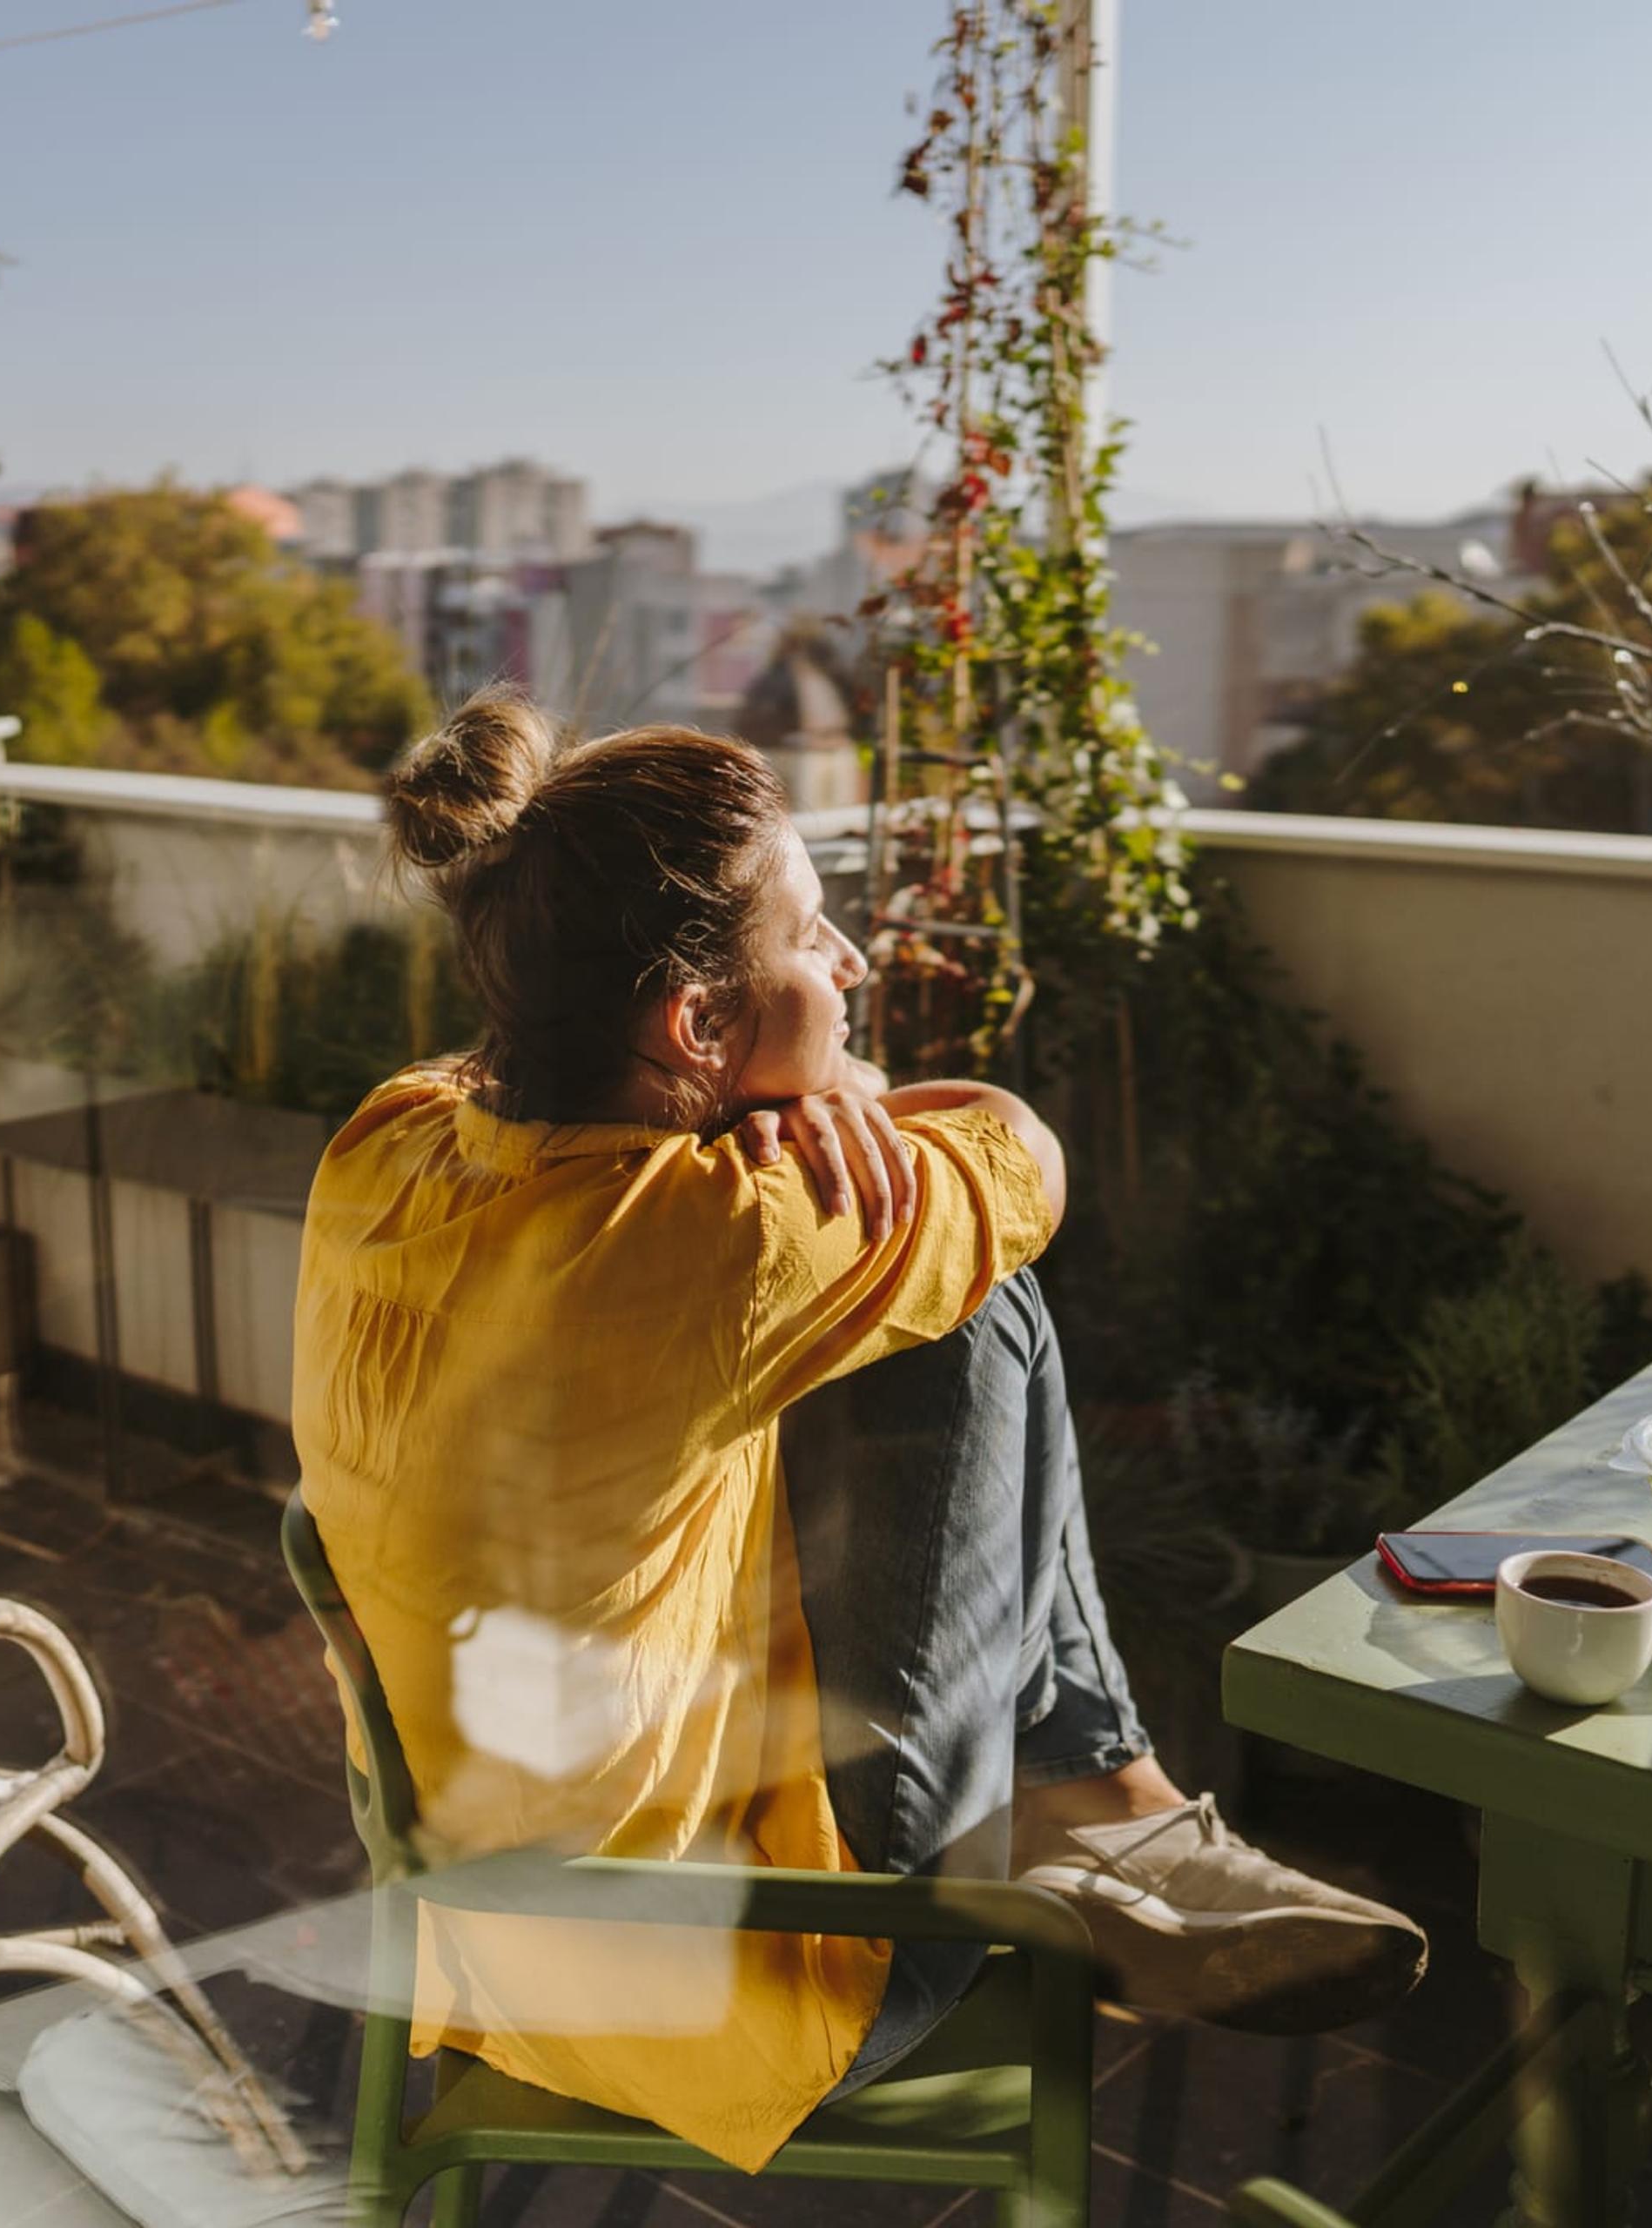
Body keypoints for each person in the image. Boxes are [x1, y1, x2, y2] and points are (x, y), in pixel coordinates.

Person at [291, 688, 1425, 2171]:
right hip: (753, 1983)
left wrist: (814, 1086)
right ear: (696, 1019)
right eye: (814, 936)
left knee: (875, 1311)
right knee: (970, 1309)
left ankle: (1103, 1811)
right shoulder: (721, 1243)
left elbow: (605, 1101)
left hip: (487, 1948)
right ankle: (1103, 1805)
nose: (852, 960)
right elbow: (1027, 1154)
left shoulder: (389, 1138)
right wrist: (841, 1108)